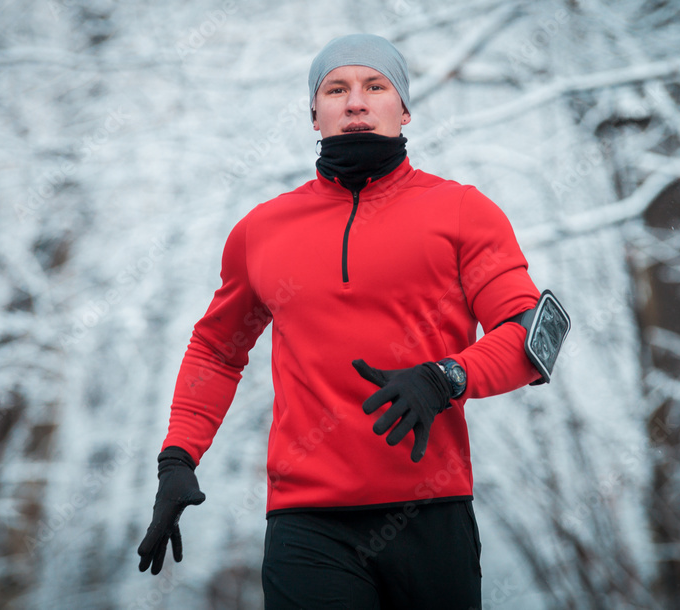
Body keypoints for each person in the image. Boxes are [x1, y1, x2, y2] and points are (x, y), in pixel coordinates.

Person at [137, 33, 568, 609]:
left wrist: (445, 378)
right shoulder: (263, 230)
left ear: (404, 107)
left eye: (375, 86)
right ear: (314, 114)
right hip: (307, 523)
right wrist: (177, 458)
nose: (356, 102)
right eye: (336, 89)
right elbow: (217, 349)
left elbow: (533, 336)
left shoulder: (463, 211)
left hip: (431, 514)